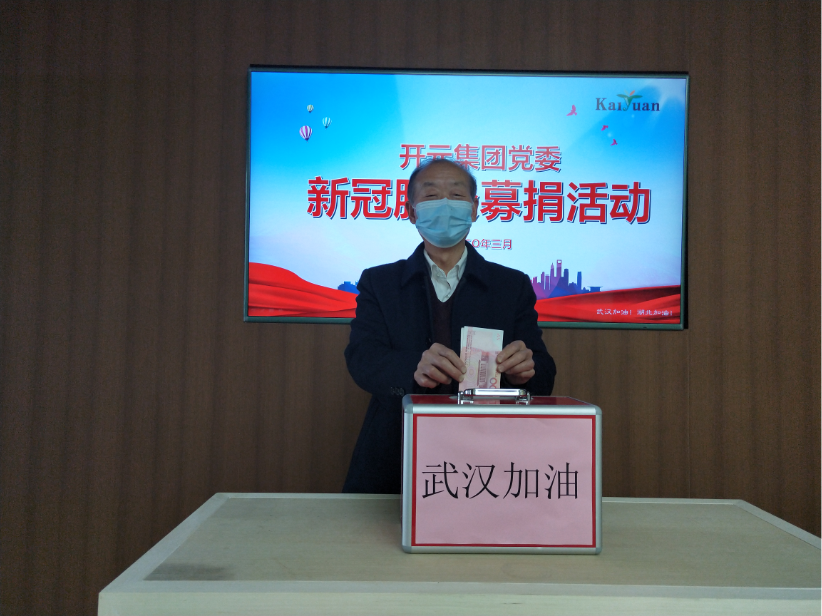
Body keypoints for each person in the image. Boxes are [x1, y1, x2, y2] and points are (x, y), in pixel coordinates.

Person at [342, 158, 556, 493]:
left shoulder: (511, 285)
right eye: (430, 196)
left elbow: (542, 372)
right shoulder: (380, 282)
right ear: (411, 212)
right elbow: (363, 359)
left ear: (475, 209)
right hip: (395, 448)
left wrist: (524, 371)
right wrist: (414, 367)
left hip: (487, 453)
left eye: (456, 196)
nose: (444, 206)